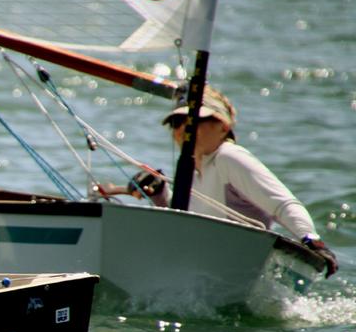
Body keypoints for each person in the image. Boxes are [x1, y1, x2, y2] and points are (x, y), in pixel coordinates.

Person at [105, 88, 338, 277]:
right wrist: (159, 196)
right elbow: (189, 227)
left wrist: (310, 238)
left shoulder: (229, 157)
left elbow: (282, 204)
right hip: (204, 267)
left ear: (223, 126)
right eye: (177, 122)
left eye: (196, 119)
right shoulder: (193, 173)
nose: (185, 128)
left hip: (242, 269)